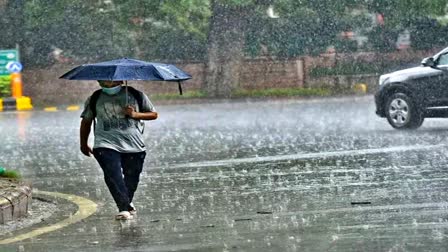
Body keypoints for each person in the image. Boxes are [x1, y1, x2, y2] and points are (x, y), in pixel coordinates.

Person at [80, 80, 158, 220]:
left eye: (110, 81)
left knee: (132, 177)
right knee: (112, 175)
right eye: (102, 81)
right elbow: (86, 120)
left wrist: (135, 115)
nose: (106, 84)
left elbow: (153, 114)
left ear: (120, 80)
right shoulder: (95, 98)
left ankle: (126, 202)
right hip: (105, 143)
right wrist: (83, 143)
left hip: (134, 145)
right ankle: (123, 208)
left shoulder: (136, 95)